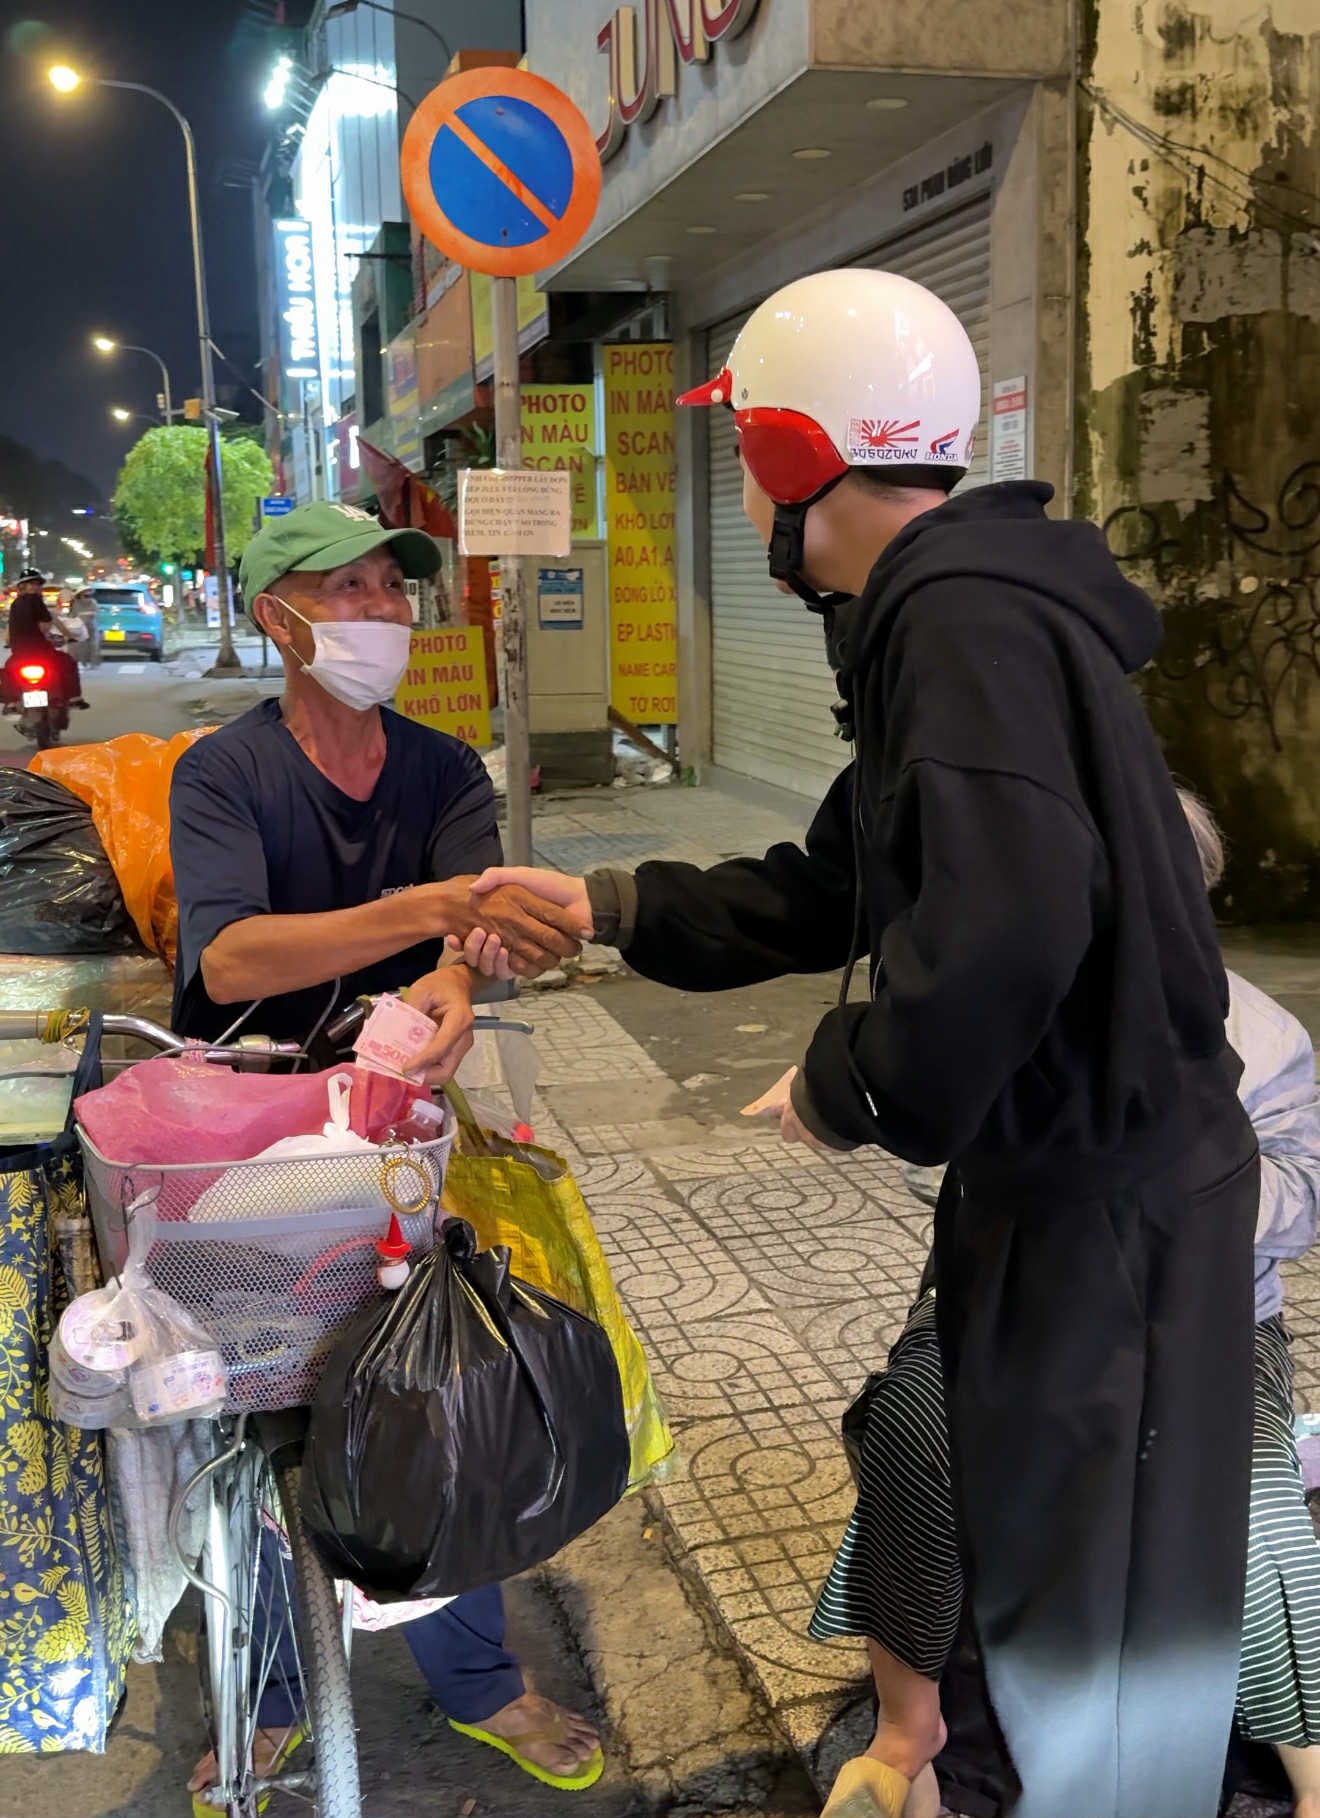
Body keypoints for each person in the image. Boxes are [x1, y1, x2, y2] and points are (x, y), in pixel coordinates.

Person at [467, 267, 1261, 1818]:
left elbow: (1015, 925)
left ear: (782, 454)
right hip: (1076, 1187)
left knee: (1102, 1613)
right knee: (1052, 1563)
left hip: (1109, 1211)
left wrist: (853, 1083)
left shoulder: (958, 620)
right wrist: (609, 897)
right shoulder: (954, 609)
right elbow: (838, 881)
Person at [169, 500, 601, 1804]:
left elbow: (471, 938)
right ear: (277, 615)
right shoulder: (225, 772)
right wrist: (417, 912)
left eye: (390, 587)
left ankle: (478, 1677)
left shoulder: (443, 768)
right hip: (247, 1138)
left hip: (405, 1129)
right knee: (262, 1419)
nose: (376, 610)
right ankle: (271, 1695)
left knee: (447, 1395)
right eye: (342, 587)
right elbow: (229, 956)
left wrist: (453, 990)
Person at [789, 789, 1320, 1818]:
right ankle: (908, 1736)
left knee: (1247, 1504)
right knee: (913, 1435)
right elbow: (922, 1157)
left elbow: (1300, 1197)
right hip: (1002, 1310)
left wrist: (1156, 1198)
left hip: (1203, 1329)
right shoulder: (1001, 1021)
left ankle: (1309, 1772)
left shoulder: (1258, 1028)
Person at [4, 568, 88, 706]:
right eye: (32, 584)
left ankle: (11, 703)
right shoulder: (36, 601)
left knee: (9, 668)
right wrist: (56, 635)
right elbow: (44, 627)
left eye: (37, 584)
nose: (35, 587)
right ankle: (74, 698)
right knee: (68, 662)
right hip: (40, 651)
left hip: (19, 653)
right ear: (23, 586)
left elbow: (8, 634)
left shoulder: (15, 604)